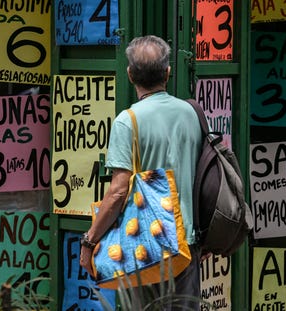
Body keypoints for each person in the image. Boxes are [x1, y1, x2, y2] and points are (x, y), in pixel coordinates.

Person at [79, 35, 204, 308]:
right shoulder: (191, 113)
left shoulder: (128, 121)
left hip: (149, 250)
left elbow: (118, 192)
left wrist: (89, 242)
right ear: (168, 73)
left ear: (130, 74)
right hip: (187, 247)